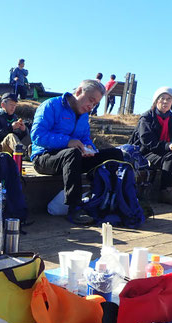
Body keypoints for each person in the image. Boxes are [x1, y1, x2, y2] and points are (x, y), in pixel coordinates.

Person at [30, 79, 124, 225]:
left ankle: (111, 199)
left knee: (115, 154)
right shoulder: (51, 105)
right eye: (90, 100)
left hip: (73, 160)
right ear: (79, 91)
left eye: (95, 104)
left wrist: (90, 149)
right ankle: (74, 207)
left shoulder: (84, 115)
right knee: (72, 153)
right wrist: (67, 142)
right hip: (44, 158)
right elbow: (37, 136)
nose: (91, 106)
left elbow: (85, 138)